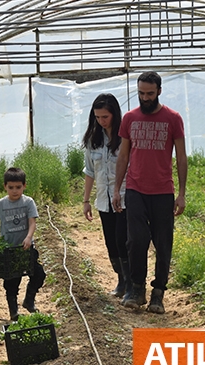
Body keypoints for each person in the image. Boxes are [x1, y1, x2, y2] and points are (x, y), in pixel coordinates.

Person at [112, 71, 188, 314]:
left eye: (150, 93)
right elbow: (123, 155)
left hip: (163, 191)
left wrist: (182, 193)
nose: (145, 98)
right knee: (135, 240)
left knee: (163, 243)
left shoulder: (173, 118)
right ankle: (137, 289)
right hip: (135, 189)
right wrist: (117, 189)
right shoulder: (129, 118)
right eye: (141, 93)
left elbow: (181, 156)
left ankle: (158, 293)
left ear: (159, 92)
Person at [0, 167, 46, 322]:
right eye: (11, 187)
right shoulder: (0, 205)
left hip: (25, 249)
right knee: (11, 282)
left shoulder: (28, 202)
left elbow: (32, 223)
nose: (14, 191)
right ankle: (13, 312)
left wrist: (28, 237)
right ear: (5, 186)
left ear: (24, 186)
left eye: (18, 187)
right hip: (8, 251)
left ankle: (29, 301)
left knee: (38, 274)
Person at [80, 93, 129, 298]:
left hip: (125, 198)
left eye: (105, 117)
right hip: (103, 199)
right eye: (97, 117)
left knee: (123, 240)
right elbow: (90, 171)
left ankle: (131, 283)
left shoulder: (125, 137)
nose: (101, 121)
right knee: (111, 242)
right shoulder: (93, 140)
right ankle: (121, 280)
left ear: (114, 114)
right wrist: (86, 201)